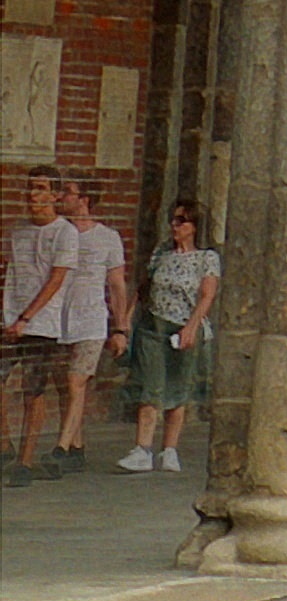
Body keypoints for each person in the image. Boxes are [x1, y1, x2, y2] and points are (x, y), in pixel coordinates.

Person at [119, 199, 218, 474]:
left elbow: (207, 294)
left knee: (178, 389)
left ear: (194, 226)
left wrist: (191, 326)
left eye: (181, 221)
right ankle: (142, 448)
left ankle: (170, 449)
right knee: (151, 387)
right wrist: (126, 320)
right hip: (154, 325)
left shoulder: (206, 258)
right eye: (173, 220)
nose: (175, 226)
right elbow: (144, 286)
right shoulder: (162, 252)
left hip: (183, 327)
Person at [46, 175, 129, 470]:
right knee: (64, 385)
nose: (63, 198)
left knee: (76, 380)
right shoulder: (58, 233)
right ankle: (76, 448)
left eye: (68, 193)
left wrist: (120, 328)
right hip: (59, 317)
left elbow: (117, 284)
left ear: (84, 200)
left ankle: (60, 446)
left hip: (91, 318)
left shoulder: (107, 237)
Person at [3, 173, 63, 480]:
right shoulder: (19, 231)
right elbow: (13, 273)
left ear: (55, 195)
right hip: (12, 319)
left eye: (41, 189)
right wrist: (10, 315)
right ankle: (6, 447)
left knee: (33, 390)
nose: (33, 195)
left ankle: (25, 462)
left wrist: (28, 317)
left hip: (41, 323)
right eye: (30, 188)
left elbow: (56, 278)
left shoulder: (63, 232)